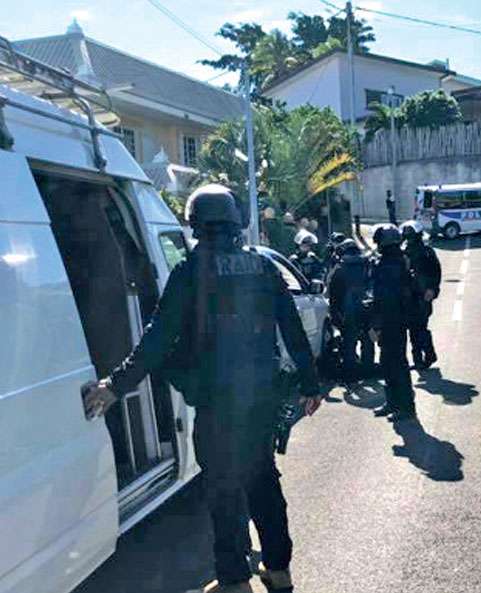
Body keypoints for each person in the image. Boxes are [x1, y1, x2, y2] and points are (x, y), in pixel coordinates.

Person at [82, 184, 321, 593]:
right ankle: (279, 571)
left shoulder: (190, 272)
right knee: (264, 482)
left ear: (195, 225)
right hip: (260, 399)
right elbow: (292, 328)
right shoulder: (262, 268)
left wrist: (115, 385)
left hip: (217, 403)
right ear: (235, 223)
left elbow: (157, 339)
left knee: (225, 492)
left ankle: (234, 581)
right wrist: (310, 384)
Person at [369, 224, 416, 422]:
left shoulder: (389, 265)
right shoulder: (396, 261)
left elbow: (384, 298)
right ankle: (393, 402)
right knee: (388, 363)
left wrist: (376, 325)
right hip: (395, 320)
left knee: (396, 364)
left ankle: (405, 407)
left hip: (392, 321)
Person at [328, 238, 375, 382]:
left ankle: (351, 373)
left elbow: (333, 294)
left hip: (348, 310)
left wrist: (335, 315)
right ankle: (368, 370)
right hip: (367, 307)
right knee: (368, 340)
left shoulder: (339, 269)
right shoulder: (368, 264)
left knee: (349, 342)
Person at [400, 220, 441, 370]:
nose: (408, 238)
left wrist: (432, 289)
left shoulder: (427, 252)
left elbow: (436, 272)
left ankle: (429, 354)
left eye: (411, 235)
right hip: (409, 296)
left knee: (420, 328)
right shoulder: (404, 252)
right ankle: (417, 360)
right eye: (406, 235)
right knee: (412, 329)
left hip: (423, 296)